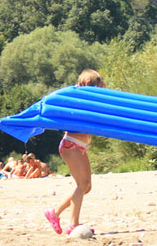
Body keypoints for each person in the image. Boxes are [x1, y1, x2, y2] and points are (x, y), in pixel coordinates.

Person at [45, 69, 105, 236]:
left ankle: (54, 212)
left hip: (79, 146)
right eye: (98, 84)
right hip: (71, 145)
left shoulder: (90, 101)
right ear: (90, 85)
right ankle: (73, 224)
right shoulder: (78, 101)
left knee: (86, 186)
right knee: (82, 185)